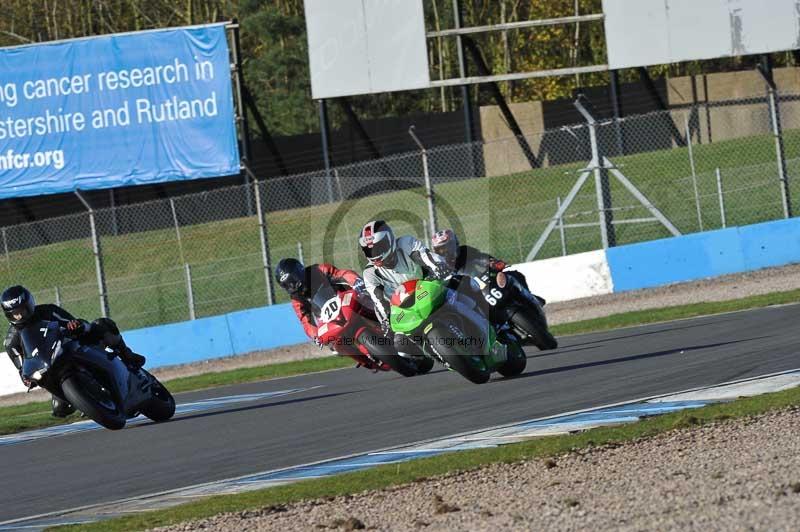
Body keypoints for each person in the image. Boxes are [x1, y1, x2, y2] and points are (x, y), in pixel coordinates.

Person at [2, 285, 145, 417]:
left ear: (30, 304)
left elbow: (74, 322)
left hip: (70, 348)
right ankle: (90, 403)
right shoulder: (11, 342)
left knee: (101, 325)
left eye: (22, 311)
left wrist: (75, 325)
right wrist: (26, 378)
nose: (20, 316)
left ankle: (127, 355)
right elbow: (21, 366)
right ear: (9, 315)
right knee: (60, 408)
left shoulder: (48, 311)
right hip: (51, 369)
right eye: (15, 314)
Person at [275, 258, 387, 371]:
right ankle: (365, 361)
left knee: (370, 301)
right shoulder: (296, 299)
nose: (293, 286)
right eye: (287, 285)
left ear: (299, 271)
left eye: (293, 280)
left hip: (346, 299)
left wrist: (356, 282)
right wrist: (315, 335)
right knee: (334, 345)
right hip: (329, 317)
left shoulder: (318, 270)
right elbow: (305, 320)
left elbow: (342, 274)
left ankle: (387, 320)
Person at [358, 220, 450, 337]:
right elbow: (378, 300)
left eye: (378, 248)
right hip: (403, 310)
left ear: (389, 241)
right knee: (399, 342)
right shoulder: (369, 273)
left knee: (464, 284)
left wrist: (438, 266)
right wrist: (387, 321)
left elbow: (426, 256)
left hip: (428, 288)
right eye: (369, 251)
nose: (374, 254)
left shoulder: (405, 243)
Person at [430, 228, 546, 307]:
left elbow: (481, 257)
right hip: (467, 296)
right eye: (441, 250)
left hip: (483, 282)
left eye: (447, 246)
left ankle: (529, 296)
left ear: (455, 243)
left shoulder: (464, 251)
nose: (446, 251)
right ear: (436, 252)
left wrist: (493, 262)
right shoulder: (437, 267)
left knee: (514, 275)